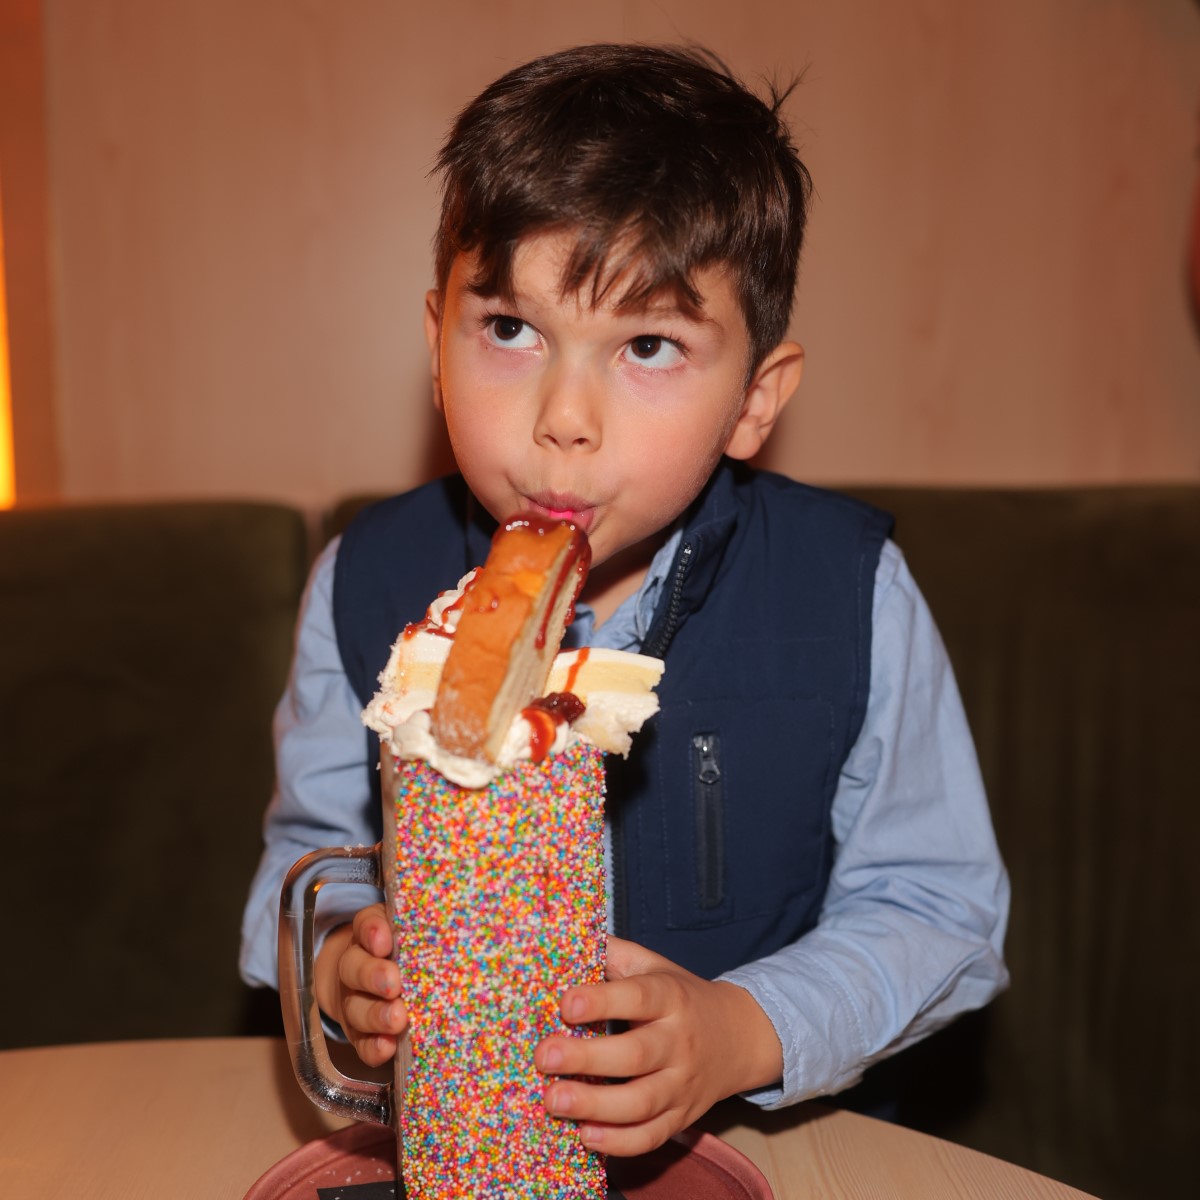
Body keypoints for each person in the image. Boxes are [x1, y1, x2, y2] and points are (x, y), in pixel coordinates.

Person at [240, 43, 1009, 1157]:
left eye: (648, 345)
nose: (565, 416)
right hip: (470, 1148)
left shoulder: (848, 591)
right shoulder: (363, 582)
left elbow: (939, 914)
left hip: (782, 1146)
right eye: (510, 331)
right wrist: (334, 970)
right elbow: (307, 863)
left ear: (756, 399)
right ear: (436, 346)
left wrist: (746, 1029)